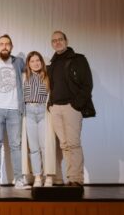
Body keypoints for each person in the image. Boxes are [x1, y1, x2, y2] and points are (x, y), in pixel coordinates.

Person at [48, 30, 94, 187]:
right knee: (64, 145)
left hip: (71, 107)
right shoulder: (52, 63)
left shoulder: (78, 59)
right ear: (52, 44)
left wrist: (77, 104)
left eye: (60, 39)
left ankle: (77, 179)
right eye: (54, 40)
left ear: (66, 41)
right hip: (56, 108)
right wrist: (50, 105)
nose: (57, 42)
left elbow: (87, 84)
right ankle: (71, 177)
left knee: (73, 144)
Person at [0, 35, 29, 189]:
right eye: (1, 44)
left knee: (16, 145)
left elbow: (32, 74)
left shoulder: (19, 62)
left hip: (15, 110)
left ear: (11, 46)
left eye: (7, 44)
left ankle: (19, 179)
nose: (4, 46)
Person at [21, 51, 58, 188]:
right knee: (33, 147)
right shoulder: (24, 77)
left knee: (45, 146)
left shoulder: (48, 77)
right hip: (29, 111)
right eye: (32, 61)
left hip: (43, 111)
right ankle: (37, 176)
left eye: (38, 60)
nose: (35, 63)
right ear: (28, 64)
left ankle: (49, 176)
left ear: (42, 62)